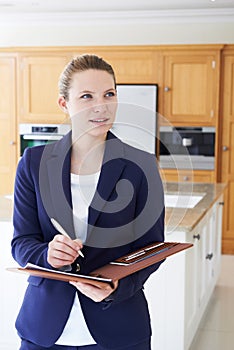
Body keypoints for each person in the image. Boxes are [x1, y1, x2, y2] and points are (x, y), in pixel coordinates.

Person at [11, 54, 165, 350]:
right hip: (44, 328)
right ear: (64, 104)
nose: (101, 106)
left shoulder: (141, 166)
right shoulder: (33, 163)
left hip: (119, 327)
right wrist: (47, 255)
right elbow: (22, 242)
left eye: (109, 94)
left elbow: (151, 249)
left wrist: (116, 288)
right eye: (86, 96)